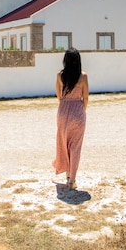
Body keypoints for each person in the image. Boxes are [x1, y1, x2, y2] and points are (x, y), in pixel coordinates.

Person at [52, 48, 89, 190]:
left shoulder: (60, 76)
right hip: (78, 110)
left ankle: (67, 175)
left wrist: (66, 104)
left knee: (63, 143)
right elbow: (85, 97)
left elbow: (58, 95)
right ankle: (72, 180)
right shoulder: (83, 76)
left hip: (63, 110)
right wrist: (81, 110)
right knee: (75, 146)